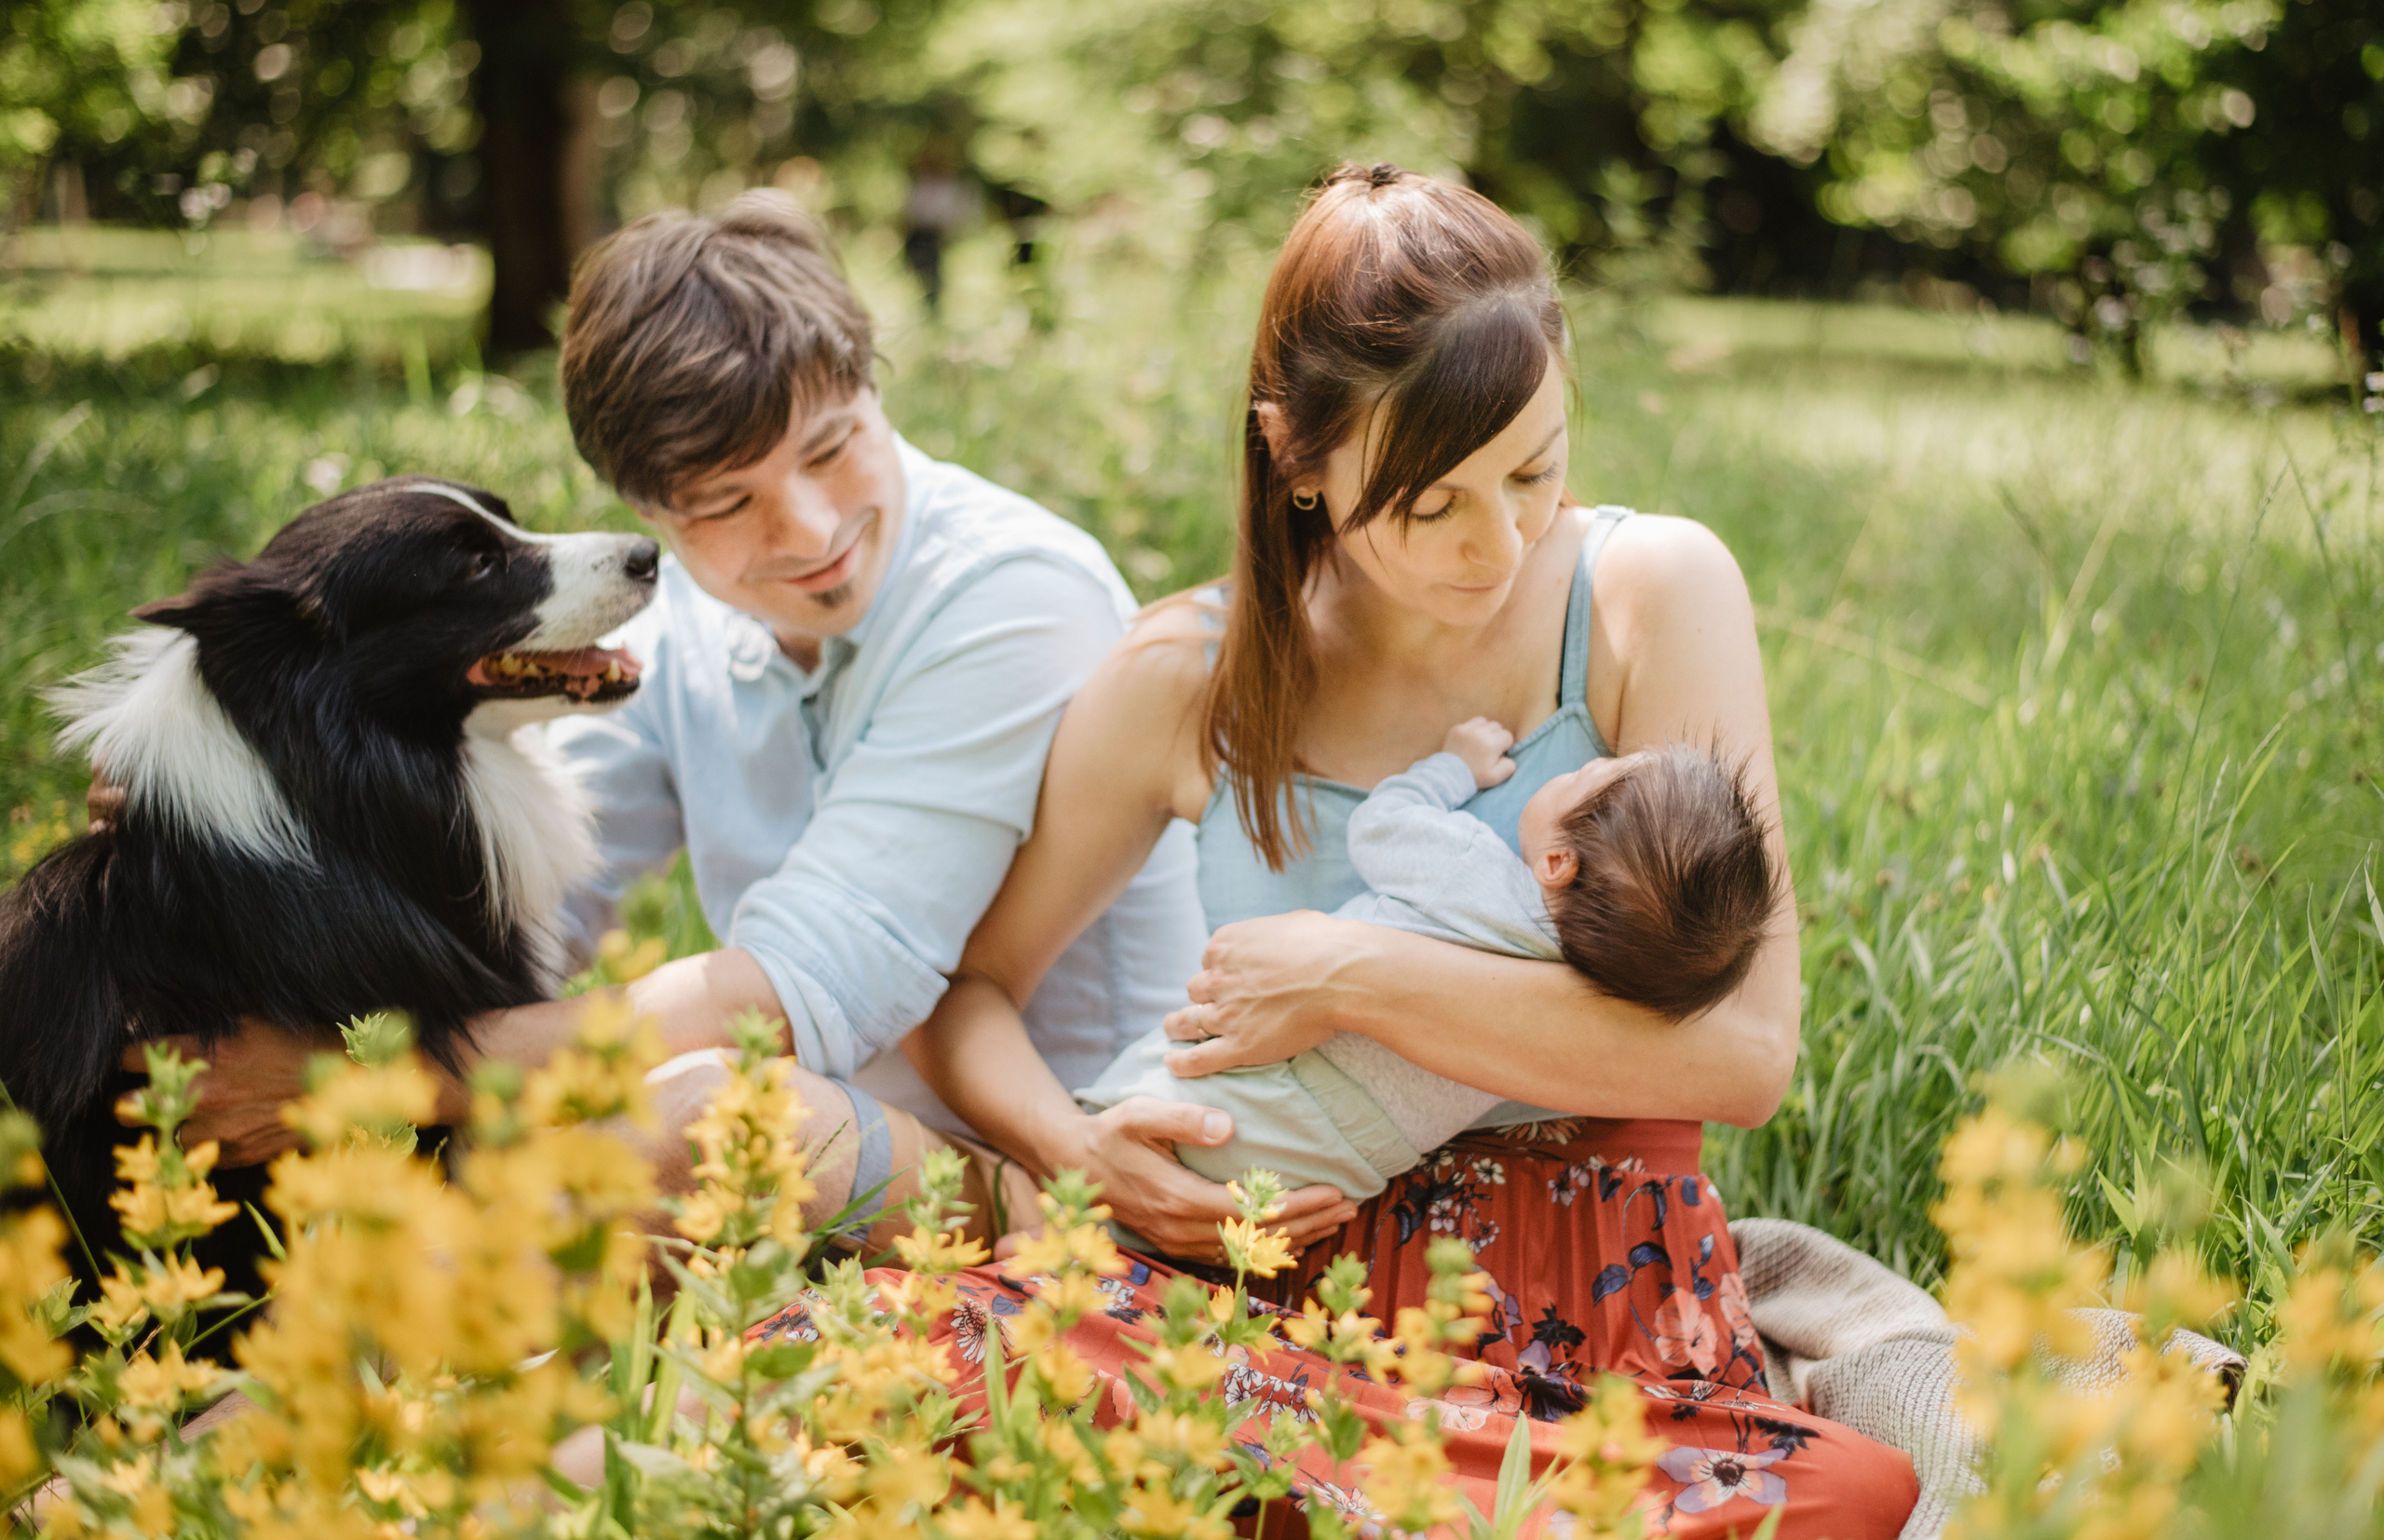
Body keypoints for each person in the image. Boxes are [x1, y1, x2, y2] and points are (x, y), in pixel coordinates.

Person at [881, 163, 1920, 1535]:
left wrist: (1352, 976)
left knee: (1852, 1490)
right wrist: (1075, 1151)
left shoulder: (1648, 593)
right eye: (1433, 504)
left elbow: (1740, 1055)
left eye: (1536, 471)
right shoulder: (1188, 678)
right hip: (1264, 1286)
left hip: (1588, 1303)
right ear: (1297, 461)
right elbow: (970, 996)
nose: (1499, 543)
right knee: (942, 1360)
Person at [160, 190, 1353, 1256]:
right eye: (726, 504)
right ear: (647, 510)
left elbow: (795, 988)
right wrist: (228, 831)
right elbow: (523, 900)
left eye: (833, 447)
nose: (807, 529)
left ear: (873, 383)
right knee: (551, 1130)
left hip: (1065, 1178)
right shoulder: (676, 630)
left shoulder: (1011, 595)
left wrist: (357, 1080)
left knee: (693, 1116)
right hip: (839, 1164)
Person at [1072, 719, 1779, 1214]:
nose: (1578, 767)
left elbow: (1382, 824)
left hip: (1253, 1090)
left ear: (1557, 863)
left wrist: (1454, 766)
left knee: (1128, 1110)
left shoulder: (1472, 870)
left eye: (1586, 774)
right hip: (1325, 1169)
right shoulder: (1578, 994)